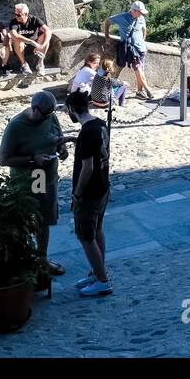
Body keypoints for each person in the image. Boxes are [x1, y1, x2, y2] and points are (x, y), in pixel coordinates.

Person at [0, 91, 68, 281]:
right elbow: (4, 159)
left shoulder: (50, 116)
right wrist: (32, 159)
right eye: (44, 114)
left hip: (48, 176)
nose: (48, 117)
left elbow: (58, 138)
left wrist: (62, 149)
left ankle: (42, 258)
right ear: (34, 108)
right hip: (30, 179)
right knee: (31, 220)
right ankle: (24, 260)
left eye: (50, 114)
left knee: (44, 220)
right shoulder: (16, 126)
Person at [71, 115, 112, 298]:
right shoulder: (98, 124)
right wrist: (74, 140)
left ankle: (102, 281)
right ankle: (98, 272)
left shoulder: (87, 132)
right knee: (97, 230)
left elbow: (87, 167)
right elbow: (94, 148)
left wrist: (77, 194)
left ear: (72, 109)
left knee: (86, 236)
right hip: (103, 187)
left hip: (89, 194)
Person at [104, 1, 154, 100]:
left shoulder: (141, 18)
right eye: (140, 12)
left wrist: (143, 39)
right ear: (133, 11)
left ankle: (140, 92)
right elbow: (108, 21)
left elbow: (144, 29)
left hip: (141, 49)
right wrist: (107, 36)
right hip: (131, 49)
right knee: (138, 69)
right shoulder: (122, 17)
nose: (141, 14)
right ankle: (147, 89)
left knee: (140, 71)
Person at [8, 3, 51, 76]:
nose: (16, 16)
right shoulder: (14, 22)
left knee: (45, 37)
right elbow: (14, 34)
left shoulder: (34, 19)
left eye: (18, 15)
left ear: (26, 14)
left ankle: (40, 63)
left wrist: (43, 45)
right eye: (15, 14)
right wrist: (31, 42)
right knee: (17, 40)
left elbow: (48, 30)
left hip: (36, 48)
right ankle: (24, 64)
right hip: (22, 48)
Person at [66, 52, 104, 124]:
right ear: (89, 62)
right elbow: (101, 79)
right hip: (79, 94)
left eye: (98, 63)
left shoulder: (84, 68)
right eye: (95, 63)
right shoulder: (88, 70)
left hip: (76, 93)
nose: (97, 65)